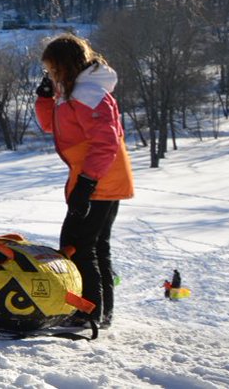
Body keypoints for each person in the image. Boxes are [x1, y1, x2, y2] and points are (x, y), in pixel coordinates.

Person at [35, 34, 134, 329]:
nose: (50, 75)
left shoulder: (89, 94)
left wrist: (87, 183)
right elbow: (50, 125)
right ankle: (101, 313)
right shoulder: (76, 91)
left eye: (52, 70)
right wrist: (45, 98)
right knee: (95, 245)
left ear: (66, 65)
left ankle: (87, 311)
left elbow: (107, 142)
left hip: (99, 179)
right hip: (98, 178)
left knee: (77, 244)